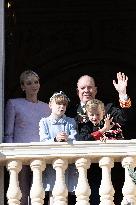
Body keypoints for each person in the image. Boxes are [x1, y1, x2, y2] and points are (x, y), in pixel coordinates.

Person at [4, 70, 51, 205]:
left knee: (39, 193)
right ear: (22, 87)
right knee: (22, 194)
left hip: (41, 155)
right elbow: (8, 133)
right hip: (20, 155)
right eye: (29, 83)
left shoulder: (46, 107)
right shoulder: (14, 104)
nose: (33, 86)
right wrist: (10, 158)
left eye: (36, 82)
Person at [39, 91, 78, 205]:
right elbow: (43, 141)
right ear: (51, 105)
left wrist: (68, 138)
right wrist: (55, 139)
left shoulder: (70, 121)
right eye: (58, 104)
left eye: (64, 104)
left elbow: (75, 138)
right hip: (51, 163)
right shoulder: (44, 121)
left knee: (65, 192)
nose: (61, 107)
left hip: (67, 163)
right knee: (54, 192)